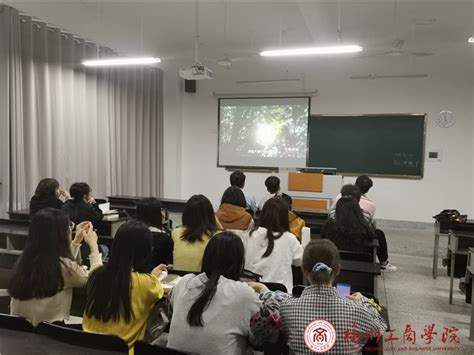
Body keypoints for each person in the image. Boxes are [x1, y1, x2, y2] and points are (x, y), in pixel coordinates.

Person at [168, 232, 287, 354]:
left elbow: (170, 311)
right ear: (239, 263)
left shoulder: (183, 282)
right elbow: (270, 330)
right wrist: (264, 290)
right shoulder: (242, 293)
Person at [280, 239, 387, 354]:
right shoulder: (358, 310)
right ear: (338, 269)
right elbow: (381, 326)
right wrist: (364, 301)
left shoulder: (286, 309)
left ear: (304, 269)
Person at [83, 220, 167, 355]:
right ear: (145, 252)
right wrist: (152, 277)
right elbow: (153, 289)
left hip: (85, 349)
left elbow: (96, 264)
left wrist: (92, 243)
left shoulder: (95, 276)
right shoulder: (148, 284)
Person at [9, 208, 102, 326]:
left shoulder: (24, 259)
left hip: (18, 330)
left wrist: (76, 241)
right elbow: (97, 280)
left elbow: (62, 265)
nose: (71, 228)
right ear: (61, 234)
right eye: (69, 225)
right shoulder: (65, 267)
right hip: (49, 333)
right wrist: (94, 246)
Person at [323, 195, 398, 272]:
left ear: (337, 209)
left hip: (335, 262)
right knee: (379, 234)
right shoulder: (364, 226)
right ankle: (384, 264)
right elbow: (372, 238)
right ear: (357, 209)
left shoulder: (329, 226)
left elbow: (323, 239)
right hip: (362, 264)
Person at [244, 198, 303, 291]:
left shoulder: (250, 235)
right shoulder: (289, 238)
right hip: (281, 295)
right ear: (285, 217)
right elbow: (300, 260)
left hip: (252, 291)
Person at [172, 195, 219, 272]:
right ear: (210, 214)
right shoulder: (216, 236)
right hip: (202, 281)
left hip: (179, 280)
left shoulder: (176, 232)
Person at [136, 197, 173, 266]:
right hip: (156, 274)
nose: (163, 215)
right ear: (156, 215)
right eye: (160, 211)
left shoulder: (128, 232)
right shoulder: (163, 237)